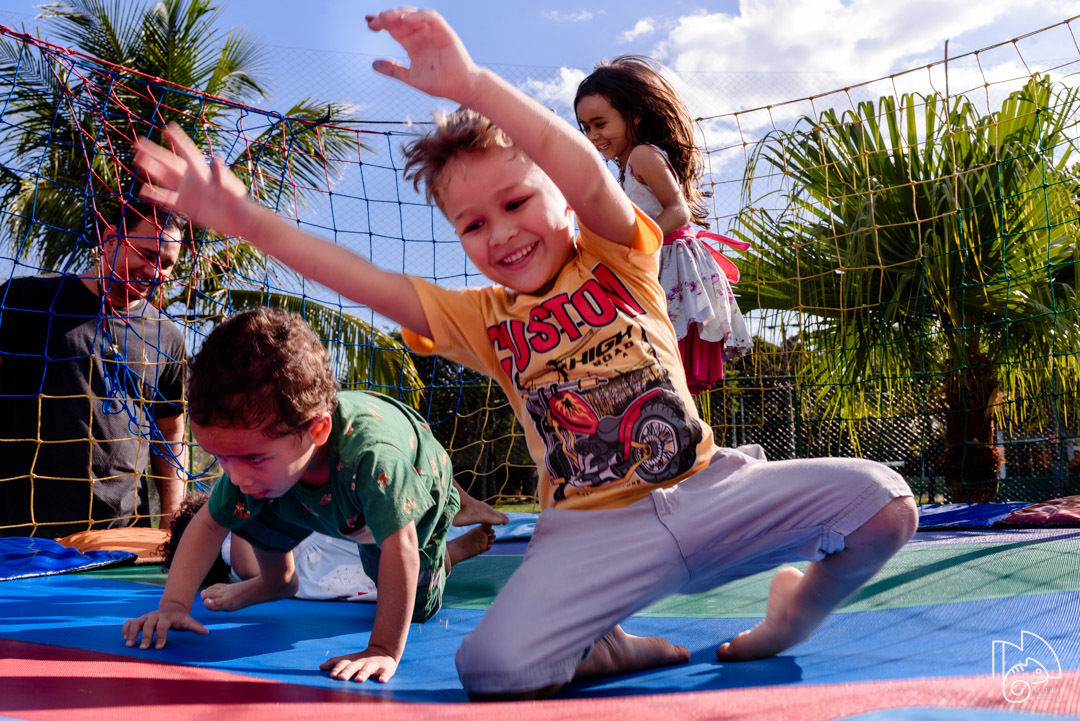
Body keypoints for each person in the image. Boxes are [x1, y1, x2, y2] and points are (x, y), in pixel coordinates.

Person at [131, 7, 918, 701]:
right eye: (472, 225)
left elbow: (574, 162)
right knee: (496, 670)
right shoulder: (480, 318)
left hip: (705, 494)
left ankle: (791, 613)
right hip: (589, 535)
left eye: (516, 203)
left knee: (885, 504)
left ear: (562, 199)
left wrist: (473, 84)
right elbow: (365, 281)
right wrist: (244, 222)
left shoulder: (618, 250)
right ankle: (608, 643)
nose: (500, 233)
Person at [122, 307, 497, 684]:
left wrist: (382, 648)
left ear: (316, 432)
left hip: (419, 475)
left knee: (411, 599)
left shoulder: (370, 461)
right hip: (332, 483)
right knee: (249, 501)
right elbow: (208, 525)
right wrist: (173, 604)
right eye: (222, 458)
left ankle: (452, 524)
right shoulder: (262, 463)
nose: (234, 474)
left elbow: (401, 549)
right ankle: (277, 581)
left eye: (252, 457)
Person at [0, 197, 188, 538]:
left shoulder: (168, 336)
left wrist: (171, 525)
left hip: (121, 535)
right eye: (146, 254)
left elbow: (170, 438)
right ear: (110, 239)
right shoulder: (27, 299)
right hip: (20, 531)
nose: (154, 271)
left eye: (167, 263)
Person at [575, 57, 752, 393]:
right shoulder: (626, 165)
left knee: (663, 367)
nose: (593, 135)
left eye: (600, 123)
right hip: (656, 263)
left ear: (635, 115)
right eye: (586, 127)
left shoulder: (643, 154)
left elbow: (678, 211)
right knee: (656, 370)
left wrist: (637, 245)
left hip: (672, 264)